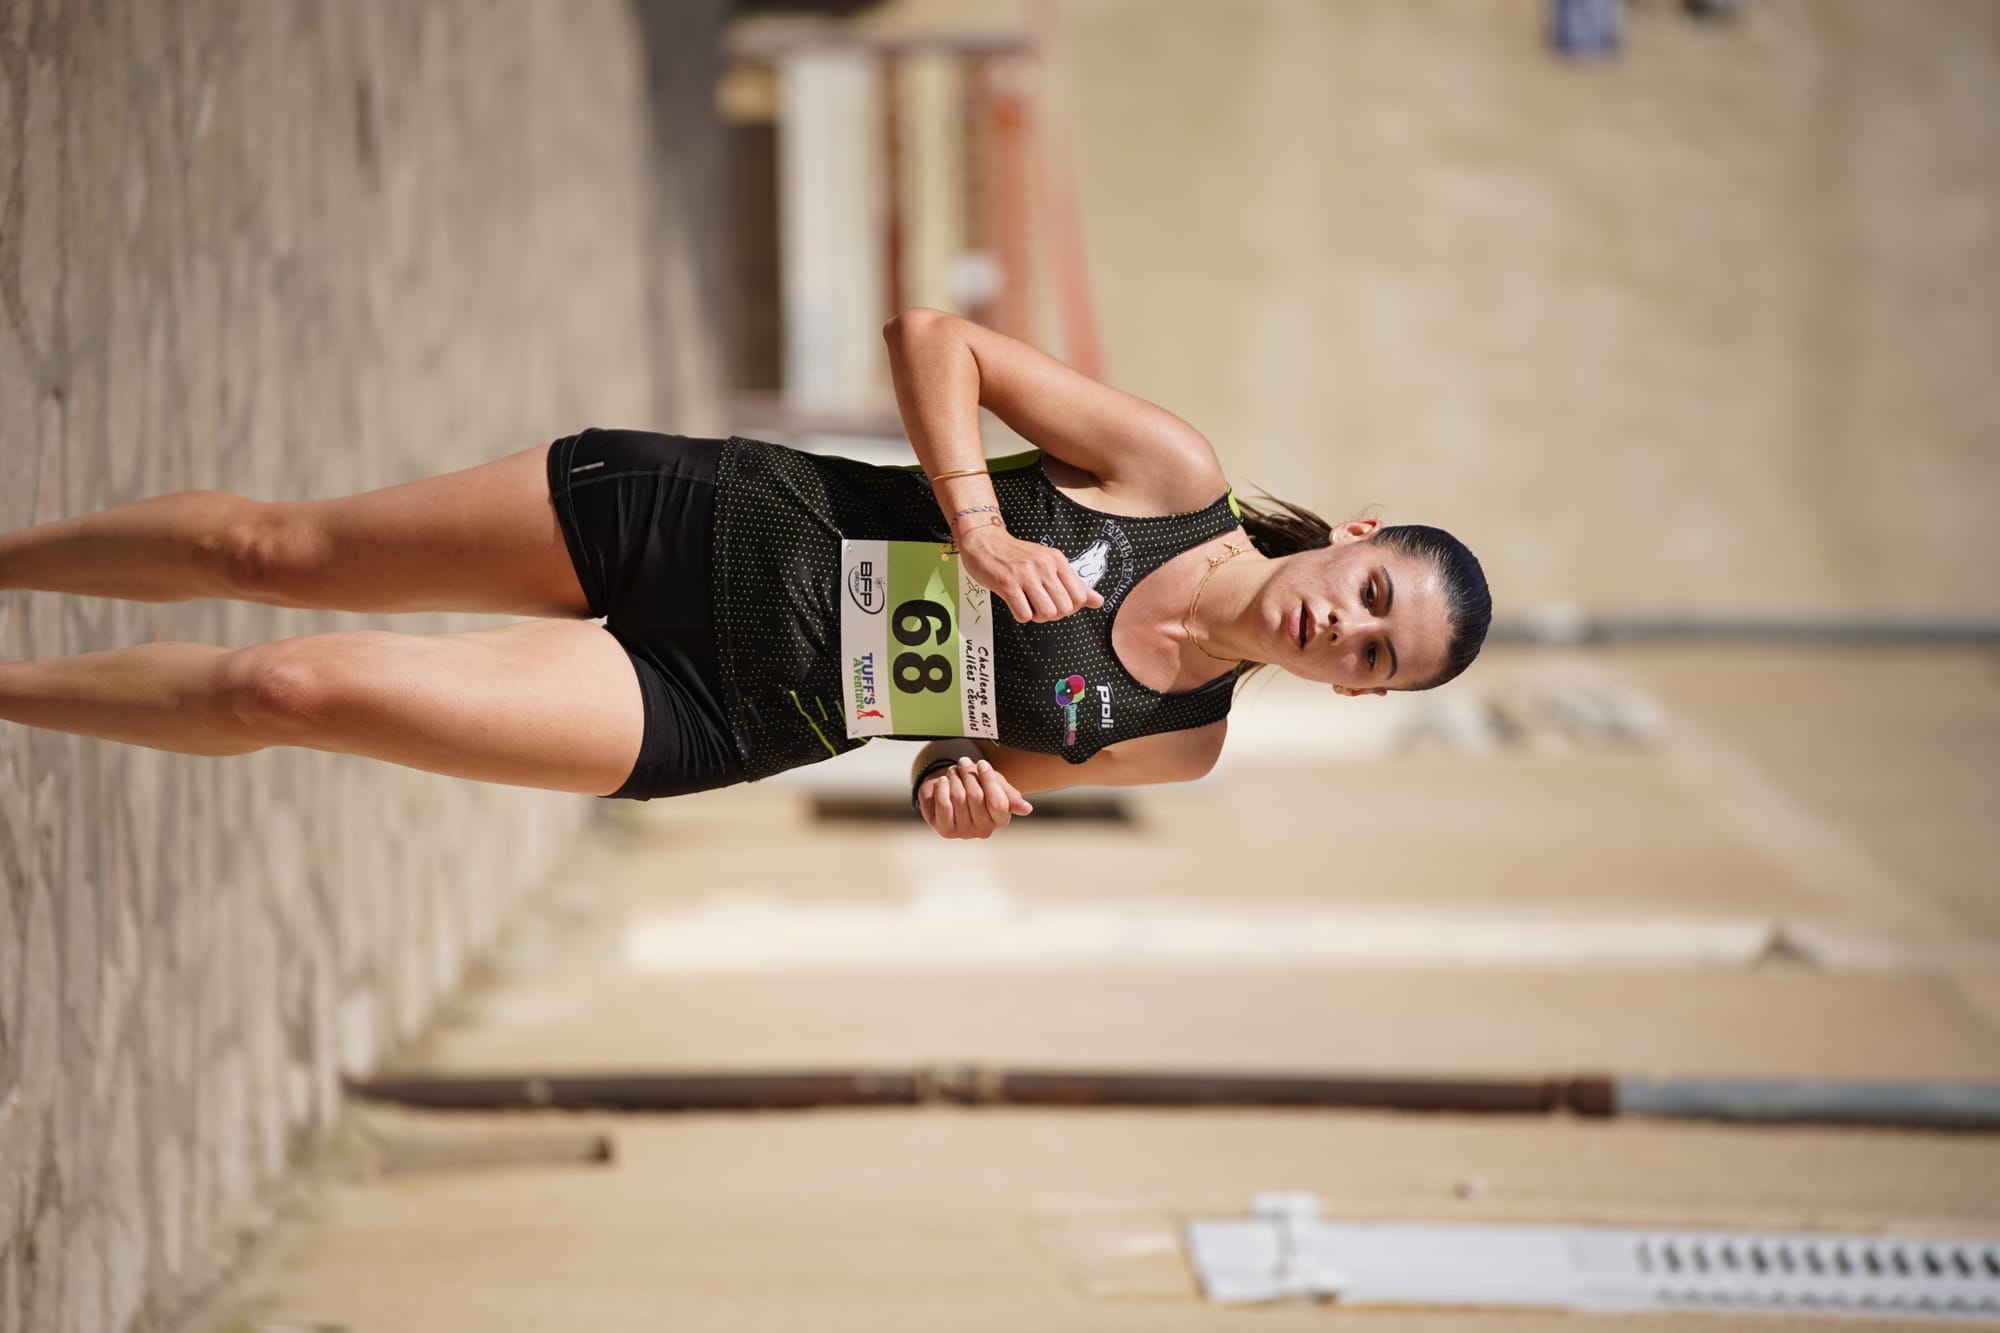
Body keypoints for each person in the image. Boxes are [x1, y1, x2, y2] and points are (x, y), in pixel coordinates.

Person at [0, 309, 1489, 839]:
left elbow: (965, 756)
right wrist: (975, 522)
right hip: (703, 519)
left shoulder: (1181, 743)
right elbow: (933, 339)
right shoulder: (1172, 478)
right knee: (269, 553)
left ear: (1358, 692)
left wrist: (955, 801)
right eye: (1373, 599)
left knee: (292, 684)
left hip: (726, 705)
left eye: (1374, 658)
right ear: (1356, 536)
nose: (1343, 633)